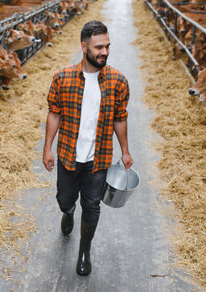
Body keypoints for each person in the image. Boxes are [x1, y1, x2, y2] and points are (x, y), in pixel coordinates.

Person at [42, 20, 133, 276]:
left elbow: (120, 117)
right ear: (84, 47)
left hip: (99, 159)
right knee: (65, 199)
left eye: (107, 46)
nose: (104, 52)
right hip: (69, 156)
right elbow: (54, 114)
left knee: (92, 206)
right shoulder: (62, 78)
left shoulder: (117, 81)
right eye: (98, 47)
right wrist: (47, 148)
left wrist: (125, 150)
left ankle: (84, 251)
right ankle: (68, 212)